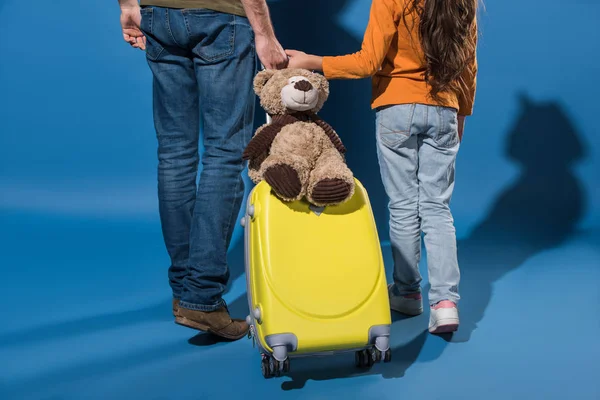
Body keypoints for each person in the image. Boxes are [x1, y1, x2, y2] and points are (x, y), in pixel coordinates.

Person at [286, 0, 478, 334]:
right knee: (436, 207)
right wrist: (461, 112)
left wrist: (310, 61)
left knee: (403, 205)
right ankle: (446, 304)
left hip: (397, 108)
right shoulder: (464, 2)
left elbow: (368, 62)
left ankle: (407, 293)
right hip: (445, 108)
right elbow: (468, 63)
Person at [117, 0, 288, 340]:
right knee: (224, 152)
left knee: (175, 153)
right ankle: (202, 298)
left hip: (158, 13)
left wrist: (128, 6)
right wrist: (264, 33)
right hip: (220, 16)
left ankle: (185, 292)